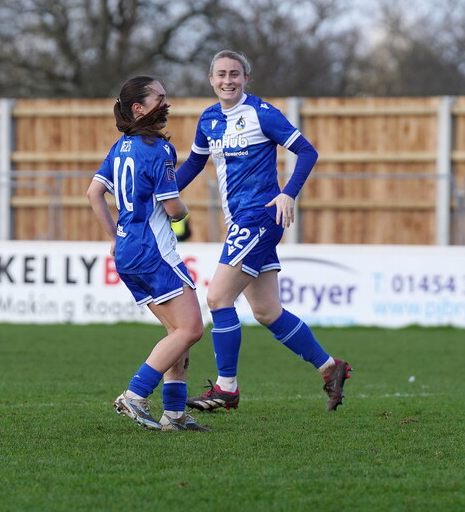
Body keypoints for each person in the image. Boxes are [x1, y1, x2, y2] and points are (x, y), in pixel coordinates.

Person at [175, 50, 352, 411]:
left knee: (218, 299)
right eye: (221, 74)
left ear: (246, 78)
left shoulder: (261, 114)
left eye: (235, 74)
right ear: (211, 80)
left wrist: (288, 193)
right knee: (267, 311)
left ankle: (227, 388)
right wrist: (161, 193)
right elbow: (195, 162)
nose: (228, 80)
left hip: (259, 218)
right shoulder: (208, 119)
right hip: (240, 221)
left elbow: (307, 152)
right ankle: (331, 368)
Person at [87, 75, 209, 432]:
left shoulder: (121, 146)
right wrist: (184, 208)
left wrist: (114, 234)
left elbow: (94, 193)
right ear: (138, 107)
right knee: (190, 329)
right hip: (153, 251)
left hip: (129, 250)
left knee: (176, 331)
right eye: (159, 97)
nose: (166, 102)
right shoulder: (158, 149)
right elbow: (173, 210)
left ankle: (173, 414)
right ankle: (135, 396)